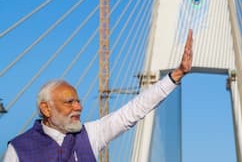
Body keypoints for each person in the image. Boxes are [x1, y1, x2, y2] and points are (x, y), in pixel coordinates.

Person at [3, 30, 193, 162]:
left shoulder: (90, 135)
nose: (78, 107)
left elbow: (132, 112)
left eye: (78, 101)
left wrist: (175, 75)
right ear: (46, 108)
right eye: (69, 102)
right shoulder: (18, 149)